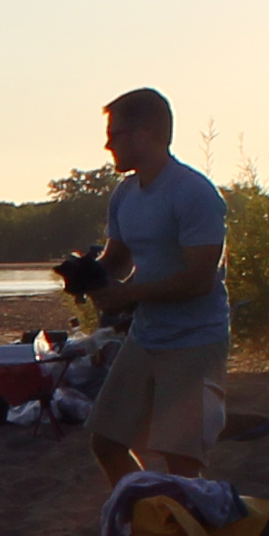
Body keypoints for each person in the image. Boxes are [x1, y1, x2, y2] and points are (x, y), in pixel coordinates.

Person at [82, 87, 229, 477]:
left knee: (181, 461)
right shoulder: (126, 194)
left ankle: (180, 533)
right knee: (107, 442)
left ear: (144, 134)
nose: (108, 144)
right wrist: (88, 273)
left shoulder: (194, 193)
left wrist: (128, 295)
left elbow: (199, 281)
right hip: (146, 336)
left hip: (195, 339)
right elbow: (117, 259)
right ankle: (139, 515)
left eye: (115, 135)